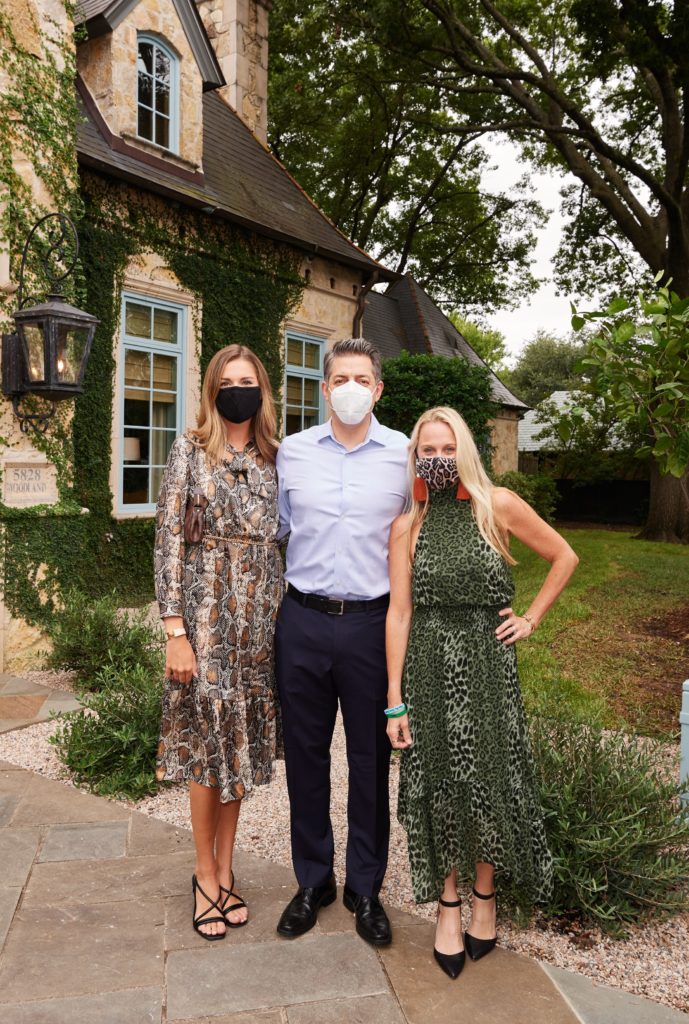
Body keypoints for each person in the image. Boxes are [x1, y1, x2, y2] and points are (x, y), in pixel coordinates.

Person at [386, 406, 579, 979]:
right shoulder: (408, 526)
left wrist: (532, 618)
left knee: (488, 777)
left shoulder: (499, 506)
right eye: (429, 451)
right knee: (439, 781)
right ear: (415, 456)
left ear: (464, 452)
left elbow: (564, 556)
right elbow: (399, 614)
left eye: (448, 450)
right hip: (426, 668)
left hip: (488, 666)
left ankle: (485, 897)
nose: (438, 459)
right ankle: (448, 902)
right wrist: (393, 699)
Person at [275, 337, 408, 947]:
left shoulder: (405, 456)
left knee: (369, 760)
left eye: (363, 378)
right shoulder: (292, 454)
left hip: (370, 625)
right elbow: (275, 530)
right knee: (303, 755)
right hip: (301, 619)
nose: (351, 388)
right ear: (324, 388)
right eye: (340, 378)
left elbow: (432, 536)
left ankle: (365, 886)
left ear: (377, 389)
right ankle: (313, 879)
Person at [154, 344, 283, 941]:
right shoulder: (188, 451)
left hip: (260, 626)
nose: (238, 389)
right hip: (206, 622)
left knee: (240, 749)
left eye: (248, 380)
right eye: (228, 381)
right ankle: (204, 874)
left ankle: (228, 865)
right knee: (208, 751)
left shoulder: (274, 458)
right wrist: (175, 631)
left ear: (263, 390)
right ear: (213, 390)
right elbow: (167, 544)